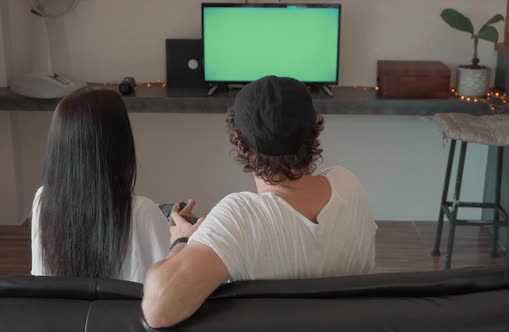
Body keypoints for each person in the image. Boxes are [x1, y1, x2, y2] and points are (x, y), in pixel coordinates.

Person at [142, 76, 377, 328]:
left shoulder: (240, 217)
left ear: (240, 142)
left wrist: (181, 241)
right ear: (313, 131)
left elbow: (157, 308)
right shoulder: (348, 185)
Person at [31, 87, 179, 284]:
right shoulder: (142, 211)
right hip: (126, 315)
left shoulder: (43, 200)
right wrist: (182, 238)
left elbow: (39, 276)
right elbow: (174, 283)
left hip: (61, 315)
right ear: (119, 145)